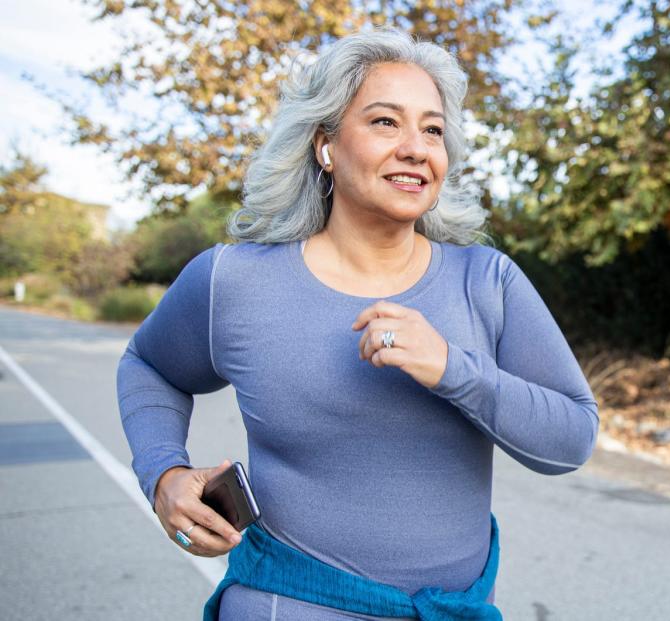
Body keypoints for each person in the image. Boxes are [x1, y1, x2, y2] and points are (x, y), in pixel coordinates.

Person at [116, 28, 599, 620]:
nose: (417, 147)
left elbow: (571, 439)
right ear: (325, 145)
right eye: (385, 122)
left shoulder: (488, 281)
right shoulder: (234, 281)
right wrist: (163, 473)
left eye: (433, 129)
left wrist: (453, 369)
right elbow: (149, 366)